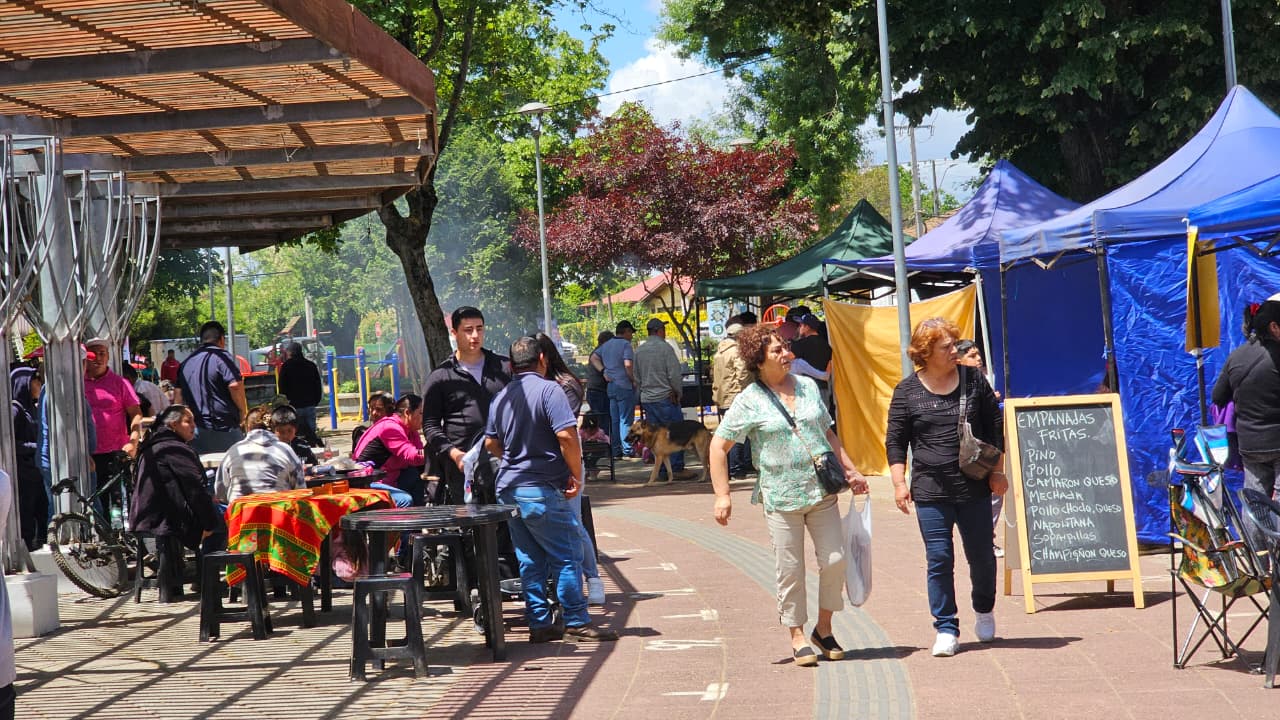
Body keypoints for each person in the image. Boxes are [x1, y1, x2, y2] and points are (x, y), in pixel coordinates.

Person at [709, 323, 866, 666]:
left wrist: (851, 470)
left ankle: (823, 629)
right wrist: (723, 495)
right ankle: (797, 634)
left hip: (820, 490)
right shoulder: (749, 400)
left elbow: (827, 433)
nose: (787, 354)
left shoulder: (807, 386)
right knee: (791, 568)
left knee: (835, 560)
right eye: (777, 350)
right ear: (759, 360)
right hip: (780, 496)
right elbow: (718, 447)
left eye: (785, 347)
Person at [484, 336, 617, 642]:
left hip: (508, 487)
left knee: (529, 559)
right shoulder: (549, 390)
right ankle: (576, 620)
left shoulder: (501, 396)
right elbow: (567, 437)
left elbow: (491, 442)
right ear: (542, 358)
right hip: (540, 487)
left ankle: (540, 623)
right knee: (567, 553)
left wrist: (514, 459)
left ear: (511, 364)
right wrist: (574, 474)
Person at [887, 317, 1004, 657]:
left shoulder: (974, 380)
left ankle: (984, 609)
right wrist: (899, 482)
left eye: (954, 344)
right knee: (938, 558)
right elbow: (896, 440)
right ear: (925, 353)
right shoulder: (907, 391)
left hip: (974, 486)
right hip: (929, 488)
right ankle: (946, 627)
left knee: (981, 556)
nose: (955, 350)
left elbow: (994, 427)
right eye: (946, 347)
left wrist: (998, 471)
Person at [535, 332, 606, 606]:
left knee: (573, 523)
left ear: (543, 356)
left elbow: (562, 429)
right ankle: (556, 586)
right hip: (538, 465)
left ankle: (593, 578)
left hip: (566, 462)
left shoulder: (566, 385)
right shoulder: (528, 384)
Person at [130, 404, 223, 600]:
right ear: (173, 425)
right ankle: (209, 580)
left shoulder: (152, 445)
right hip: (165, 519)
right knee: (222, 521)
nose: (193, 426)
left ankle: (185, 578)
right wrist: (208, 524)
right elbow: (195, 491)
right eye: (188, 421)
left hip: (147, 517)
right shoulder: (174, 449)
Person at [422, 306, 511, 506]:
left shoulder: (504, 368)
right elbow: (430, 425)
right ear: (454, 333)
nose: (475, 335)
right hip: (462, 468)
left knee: (509, 518)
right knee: (470, 521)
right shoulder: (440, 377)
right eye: (468, 330)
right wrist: (455, 455)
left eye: (479, 329)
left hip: (505, 461)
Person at [1212, 298, 1280, 500]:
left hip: (1250, 444)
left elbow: (1218, 397)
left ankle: (1256, 523)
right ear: (1274, 327)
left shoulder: (1236, 356)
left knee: (1255, 499)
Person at [955, 339, 1005, 558]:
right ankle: (981, 541)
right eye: (972, 356)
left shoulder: (983, 379)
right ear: (958, 359)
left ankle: (987, 540)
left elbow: (993, 421)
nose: (978, 360)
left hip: (986, 451)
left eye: (978, 355)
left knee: (994, 498)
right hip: (966, 453)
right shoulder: (956, 383)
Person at [84, 337, 143, 511]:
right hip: (88, 454)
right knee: (96, 503)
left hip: (116, 452)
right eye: (93, 354)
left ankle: (123, 529)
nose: (98, 358)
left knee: (120, 503)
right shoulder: (77, 383)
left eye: (102, 353)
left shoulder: (120, 383)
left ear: (108, 356)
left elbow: (136, 414)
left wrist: (133, 442)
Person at [634, 318, 694, 479]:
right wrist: (678, 392)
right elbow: (674, 375)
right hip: (666, 398)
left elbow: (636, 377)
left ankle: (661, 469)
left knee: (656, 436)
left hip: (648, 399)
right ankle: (676, 468)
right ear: (659, 330)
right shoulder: (666, 348)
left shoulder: (639, 351)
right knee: (674, 433)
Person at [176, 321, 248, 454]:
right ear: (222, 339)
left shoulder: (185, 363)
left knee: (202, 465)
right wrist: (243, 412)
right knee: (235, 464)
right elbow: (235, 386)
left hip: (195, 430)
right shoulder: (222, 357)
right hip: (225, 428)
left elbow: (178, 397)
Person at [214, 404, 307, 504]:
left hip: (241, 511)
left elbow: (220, 492)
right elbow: (300, 489)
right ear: (272, 427)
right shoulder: (285, 450)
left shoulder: (234, 451)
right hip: (278, 510)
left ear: (248, 427)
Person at [353, 392, 426, 509]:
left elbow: (419, 457)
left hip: (391, 478)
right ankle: (398, 521)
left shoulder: (411, 430)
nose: (424, 417)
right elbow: (413, 456)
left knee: (417, 477)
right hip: (367, 483)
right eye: (421, 413)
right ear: (407, 413)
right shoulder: (390, 428)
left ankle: (419, 517)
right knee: (404, 500)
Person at [713, 313, 756, 477]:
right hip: (736, 395)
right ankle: (737, 468)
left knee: (731, 432)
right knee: (738, 434)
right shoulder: (736, 351)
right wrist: (750, 392)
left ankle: (736, 466)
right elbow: (743, 374)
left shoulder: (720, 351)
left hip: (723, 396)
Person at [10, 367, 45, 551]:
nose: (39, 385)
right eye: (36, 381)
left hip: (35, 471)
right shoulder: (15, 409)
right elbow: (10, 442)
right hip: (24, 472)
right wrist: (35, 447)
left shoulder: (32, 407)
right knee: (27, 513)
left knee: (40, 511)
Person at [594, 320, 637, 458]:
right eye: (631, 333)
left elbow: (593, 357)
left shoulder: (606, 344)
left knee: (615, 420)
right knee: (626, 419)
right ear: (626, 331)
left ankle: (616, 450)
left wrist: (603, 371)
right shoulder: (626, 345)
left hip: (611, 387)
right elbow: (628, 365)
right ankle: (628, 450)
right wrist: (633, 380)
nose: (632, 336)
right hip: (624, 385)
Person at [277, 341, 324, 447]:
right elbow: (317, 385)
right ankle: (311, 449)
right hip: (310, 404)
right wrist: (315, 401)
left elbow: (282, 387)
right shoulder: (311, 365)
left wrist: (285, 403)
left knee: (295, 434)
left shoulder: (286, 366)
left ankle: (298, 451)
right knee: (311, 433)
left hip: (294, 405)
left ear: (290, 352)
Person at [584, 331, 613, 442]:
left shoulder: (596, 353)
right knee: (602, 422)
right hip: (599, 392)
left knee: (600, 420)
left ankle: (601, 444)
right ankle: (603, 445)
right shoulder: (600, 354)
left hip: (594, 391)